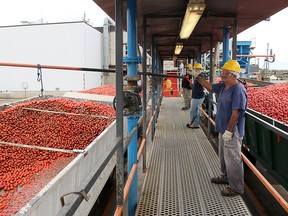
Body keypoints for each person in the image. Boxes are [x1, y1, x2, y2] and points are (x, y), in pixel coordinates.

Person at [190, 59, 247, 197]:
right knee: (223, 155)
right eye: (222, 72)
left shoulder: (238, 90)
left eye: (224, 73)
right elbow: (208, 86)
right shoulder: (223, 86)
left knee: (233, 158)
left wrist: (229, 131)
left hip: (232, 131)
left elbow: (236, 113)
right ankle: (224, 177)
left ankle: (236, 187)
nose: (222, 75)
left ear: (233, 75)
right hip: (223, 128)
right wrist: (196, 76)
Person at [186, 63, 205, 129]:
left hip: (198, 96)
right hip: (196, 96)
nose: (195, 70)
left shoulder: (201, 76)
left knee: (195, 110)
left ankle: (195, 124)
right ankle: (192, 123)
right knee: (193, 110)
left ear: (199, 70)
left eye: (196, 69)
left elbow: (202, 84)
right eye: (195, 69)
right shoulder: (197, 77)